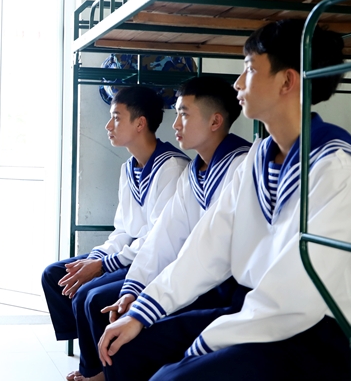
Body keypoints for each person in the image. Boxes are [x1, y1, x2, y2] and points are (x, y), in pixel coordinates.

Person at [97, 19, 351, 381]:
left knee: (174, 375)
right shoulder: (257, 158)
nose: (238, 83)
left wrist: (202, 346)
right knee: (130, 347)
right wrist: (144, 310)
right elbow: (207, 245)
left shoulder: (339, 168)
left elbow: (295, 294)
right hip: (256, 310)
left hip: (319, 332)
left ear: (287, 81)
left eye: (250, 69)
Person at [68, 76, 251, 381]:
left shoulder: (241, 166)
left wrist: (146, 305)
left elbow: (207, 254)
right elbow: (163, 238)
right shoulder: (195, 172)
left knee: (132, 342)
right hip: (194, 278)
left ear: (215, 121)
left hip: (225, 288)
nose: (175, 124)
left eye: (184, 114)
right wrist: (134, 290)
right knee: (114, 312)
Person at [40, 85, 189, 381]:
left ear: (140, 123)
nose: (108, 126)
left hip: (154, 258)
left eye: (116, 117)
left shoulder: (171, 167)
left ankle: (98, 370)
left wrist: (103, 265)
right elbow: (122, 230)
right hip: (129, 253)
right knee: (54, 274)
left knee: (88, 295)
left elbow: (156, 238)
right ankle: (91, 354)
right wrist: (94, 259)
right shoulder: (129, 168)